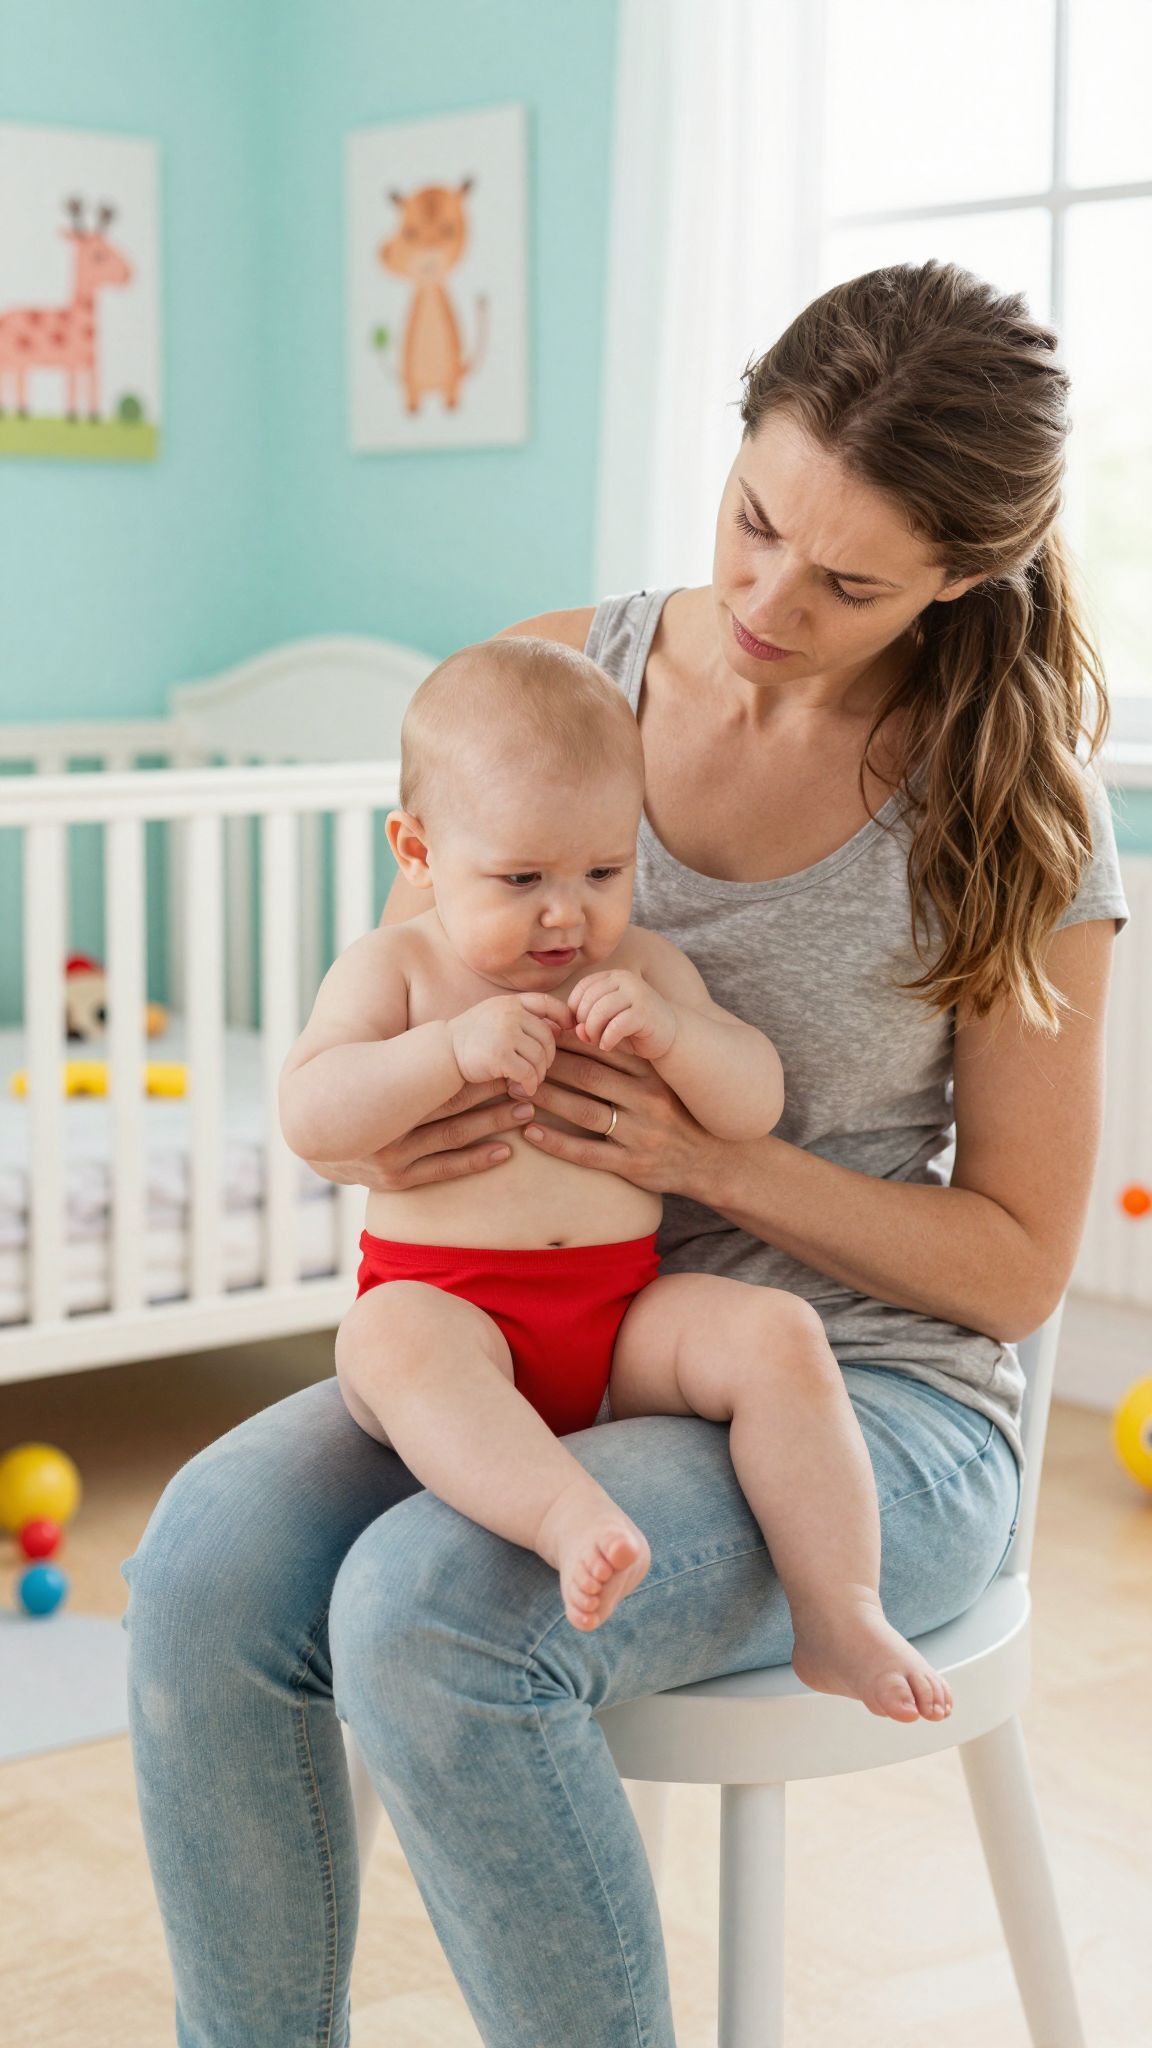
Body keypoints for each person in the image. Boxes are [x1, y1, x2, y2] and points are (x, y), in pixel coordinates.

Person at [122, 262, 1128, 2048]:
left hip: (863, 1402)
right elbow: (389, 1037)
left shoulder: (1004, 805)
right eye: (753, 520)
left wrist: (711, 1159)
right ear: (737, 438)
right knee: (204, 1555)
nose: (761, 596)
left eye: (847, 582)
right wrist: (431, 1101)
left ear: (962, 578)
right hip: (534, 1335)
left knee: (437, 1613)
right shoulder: (543, 685)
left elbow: (1012, 1265)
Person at [279, 636, 954, 1721]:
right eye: (521, 879)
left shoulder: (640, 967)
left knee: (777, 1332)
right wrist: (444, 1053)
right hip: (455, 1316)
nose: (567, 913)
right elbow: (311, 1110)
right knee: (388, 1338)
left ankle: (841, 1609)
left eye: (603, 871)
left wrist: (679, 1036)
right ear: (417, 851)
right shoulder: (395, 968)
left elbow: (753, 1103)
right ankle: (562, 1515)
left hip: (620, 1315)